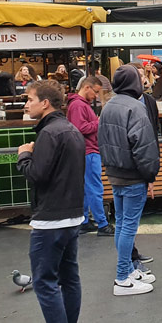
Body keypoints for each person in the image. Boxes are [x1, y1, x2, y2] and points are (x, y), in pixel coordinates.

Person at [16, 80, 86, 323]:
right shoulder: (71, 129)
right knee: (69, 278)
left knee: (45, 281)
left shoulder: (49, 133)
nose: (26, 104)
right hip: (72, 214)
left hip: (50, 218)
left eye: (29, 99)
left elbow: (37, 174)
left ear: (45, 102)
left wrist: (24, 155)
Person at [99, 65, 161, 296]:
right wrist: (150, 175)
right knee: (128, 226)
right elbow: (145, 146)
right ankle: (123, 277)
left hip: (115, 173)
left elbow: (101, 140)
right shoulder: (136, 107)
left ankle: (128, 270)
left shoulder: (108, 106)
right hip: (134, 175)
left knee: (122, 223)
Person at [66, 76, 113, 236]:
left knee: (87, 189)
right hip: (89, 151)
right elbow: (81, 128)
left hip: (84, 151)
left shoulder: (77, 104)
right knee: (94, 188)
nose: (96, 96)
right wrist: (99, 121)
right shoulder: (79, 105)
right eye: (96, 92)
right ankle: (103, 224)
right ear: (87, 87)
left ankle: (84, 221)